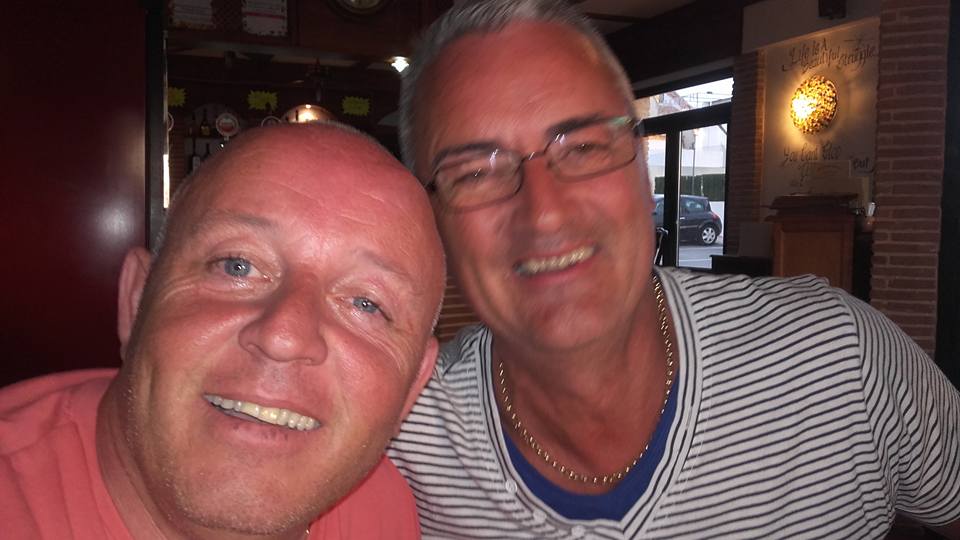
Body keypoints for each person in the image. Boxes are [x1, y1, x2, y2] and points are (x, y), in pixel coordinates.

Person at [386, 1, 960, 538]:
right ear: (430, 222)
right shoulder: (395, 438)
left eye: (583, 147)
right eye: (476, 173)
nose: (544, 213)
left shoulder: (838, 359)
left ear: (644, 172)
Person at [0, 123, 446, 539]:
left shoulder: (379, 508)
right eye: (238, 266)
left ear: (413, 385)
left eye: (367, 303)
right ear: (136, 302)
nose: (285, 337)